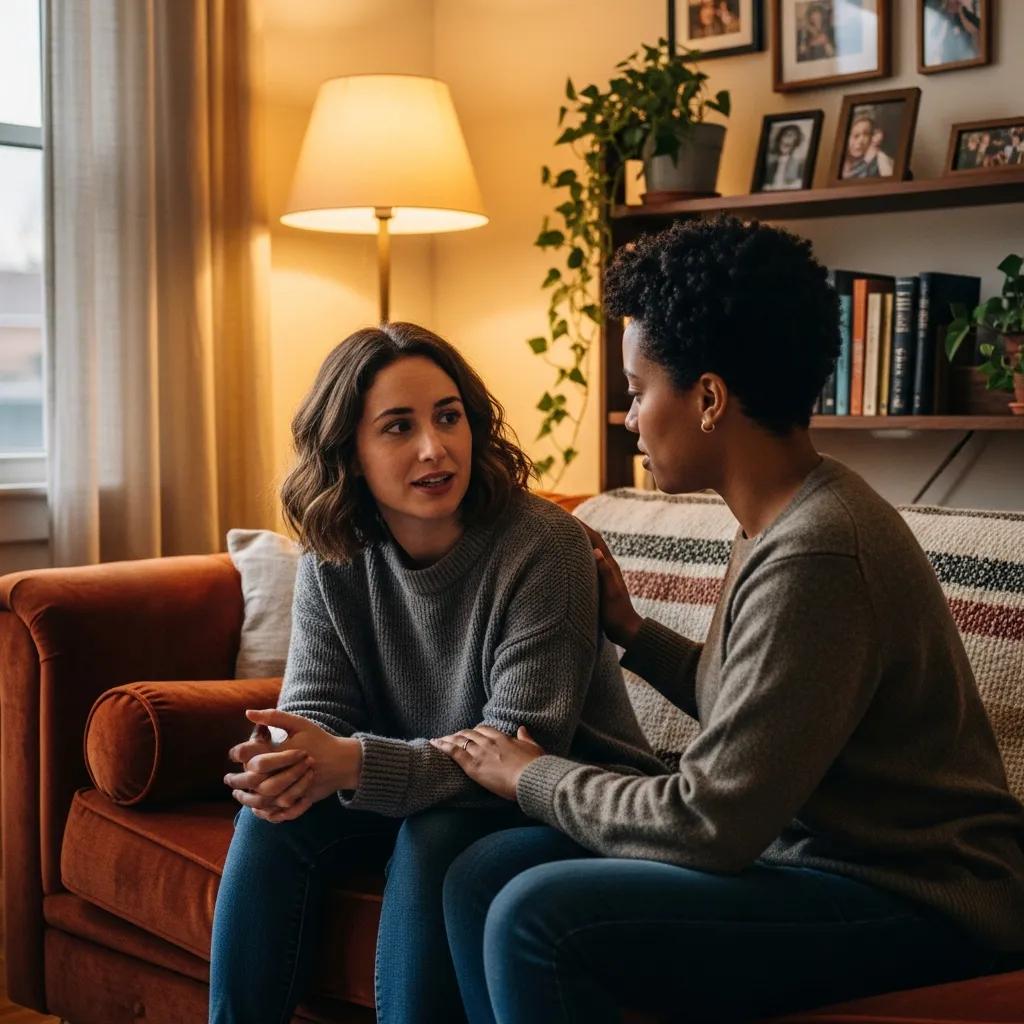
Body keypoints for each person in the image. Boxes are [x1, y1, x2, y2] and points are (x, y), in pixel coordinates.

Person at [432, 217, 1024, 1024]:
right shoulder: (781, 517)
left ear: (709, 398)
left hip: (915, 900)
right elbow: (764, 714)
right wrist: (633, 634)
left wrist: (528, 774)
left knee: (536, 915)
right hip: (811, 856)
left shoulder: (817, 554)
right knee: (481, 869)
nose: (629, 418)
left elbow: (710, 824)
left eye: (638, 391)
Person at [208, 322, 664, 1024]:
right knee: (273, 818)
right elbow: (318, 709)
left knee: (439, 832)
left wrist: (354, 762)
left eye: (448, 417)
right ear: (350, 453)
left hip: (562, 795)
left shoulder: (545, 547)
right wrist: (287, 760)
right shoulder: (335, 551)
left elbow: (519, 749)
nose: (435, 448)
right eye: (398, 427)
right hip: (420, 781)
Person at [763, 123, 806, 191]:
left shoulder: (800, 165)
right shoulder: (770, 164)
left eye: (792, 136)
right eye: (786, 134)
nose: (788, 138)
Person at [842, 111, 885, 178]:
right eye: (856, 135)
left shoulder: (877, 160)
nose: (861, 141)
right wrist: (866, 162)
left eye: (866, 134)